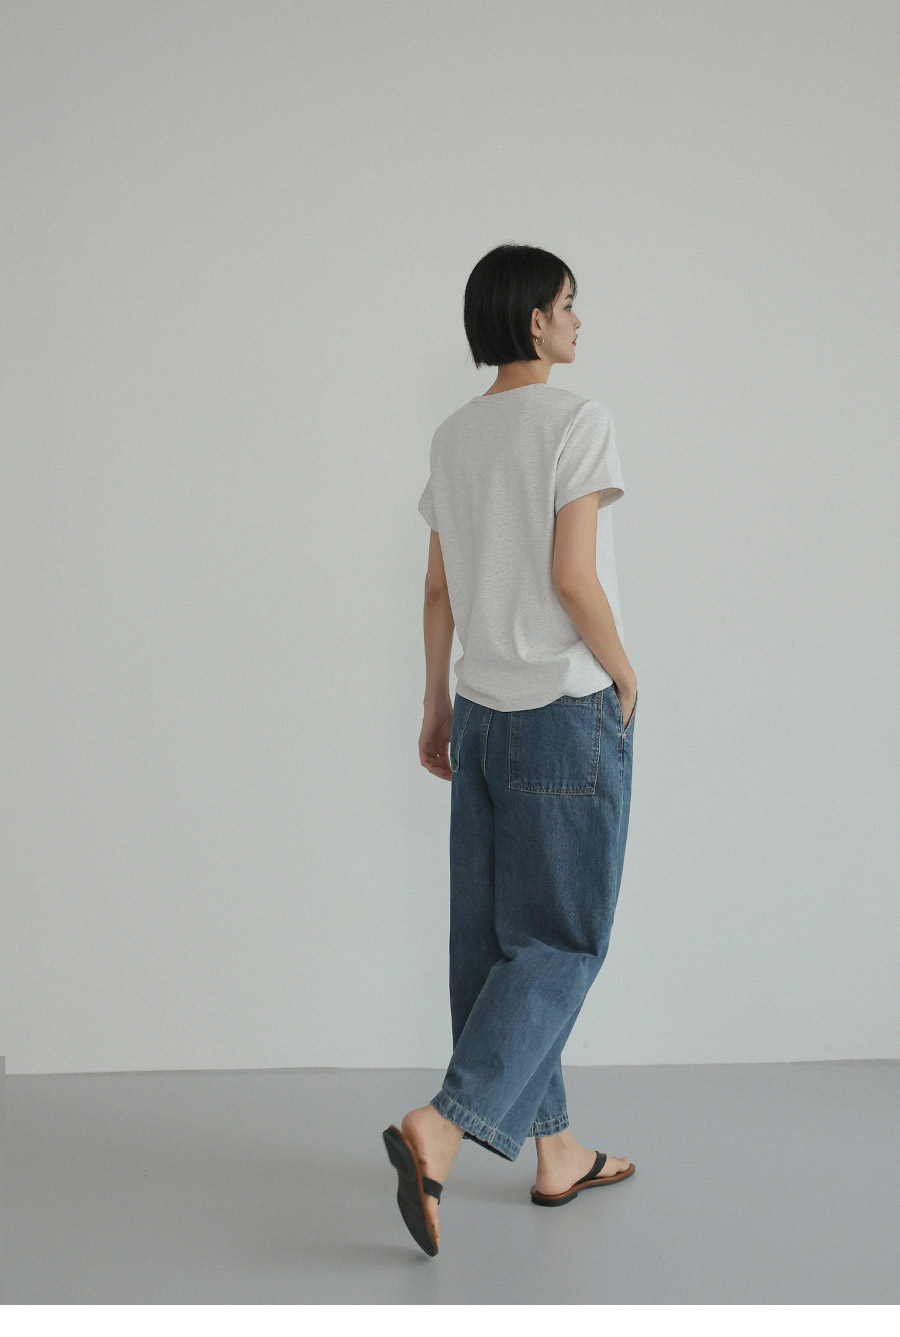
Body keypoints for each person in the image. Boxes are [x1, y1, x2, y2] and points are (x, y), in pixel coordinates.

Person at [383, 243, 638, 1257]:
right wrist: (625, 670)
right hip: (562, 710)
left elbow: (437, 586)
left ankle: (557, 1149)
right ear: (535, 319)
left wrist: (435, 703)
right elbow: (573, 577)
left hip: (483, 712)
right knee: (562, 942)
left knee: (496, 948)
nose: (579, 319)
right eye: (570, 303)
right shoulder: (578, 420)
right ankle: (443, 1126)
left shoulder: (454, 435)